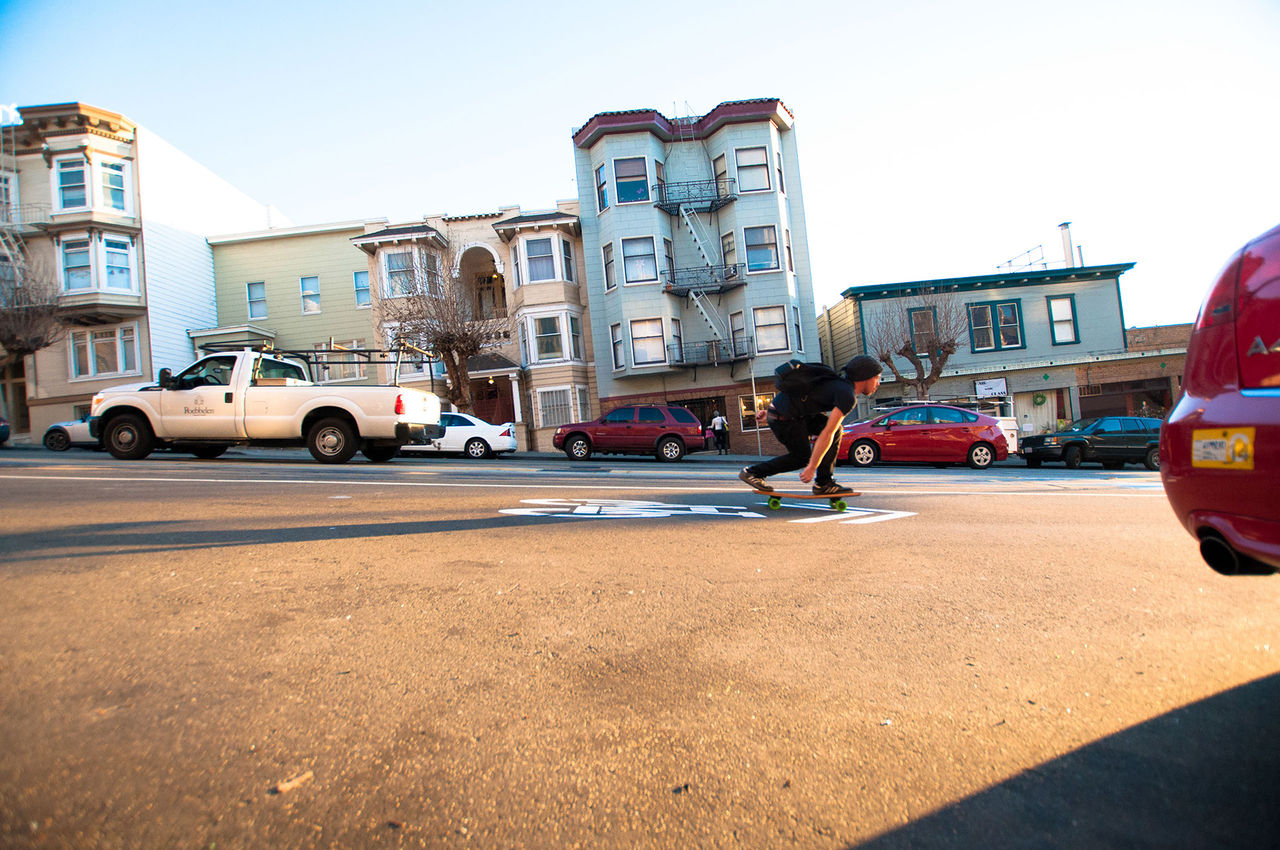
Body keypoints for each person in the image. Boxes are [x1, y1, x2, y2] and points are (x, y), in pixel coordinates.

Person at [738, 355, 883, 495]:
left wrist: (770, 412)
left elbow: (806, 397)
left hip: (788, 413)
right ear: (865, 376)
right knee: (801, 458)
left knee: (837, 430)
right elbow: (827, 434)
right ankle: (753, 473)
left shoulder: (838, 384)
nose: (878, 383)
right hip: (785, 418)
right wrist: (812, 466)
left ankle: (824, 483)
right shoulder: (847, 395)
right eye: (877, 378)